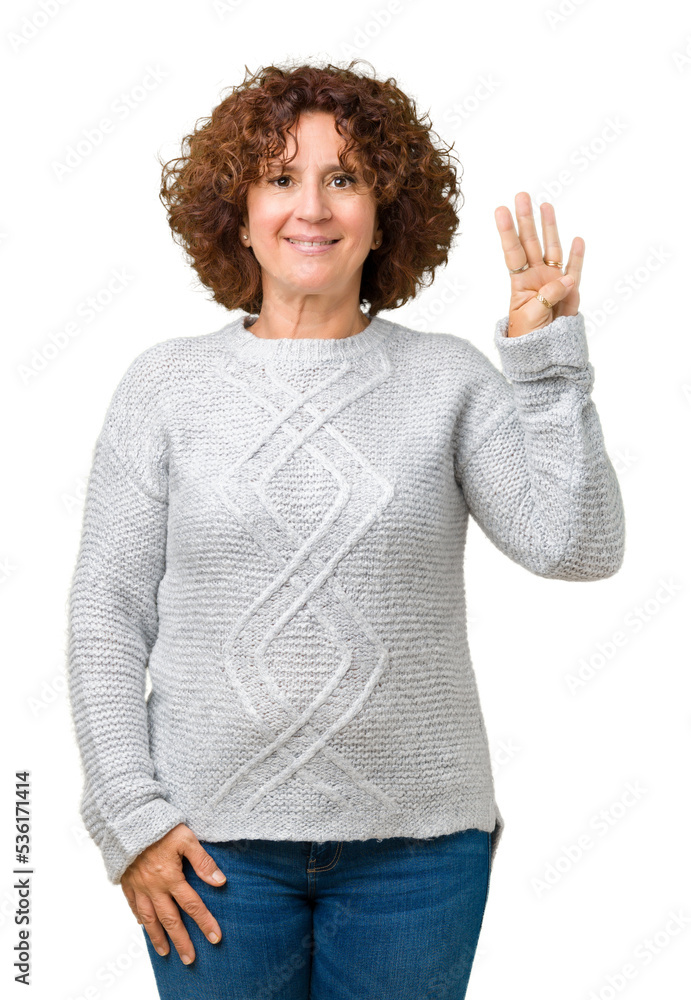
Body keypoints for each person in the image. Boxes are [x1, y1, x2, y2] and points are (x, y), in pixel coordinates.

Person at [66, 58, 625, 999]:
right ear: (238, 209)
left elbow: (577, 547)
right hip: (207, 848)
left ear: (384, 210)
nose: (311, 209)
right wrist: (129, 815)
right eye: (280, 178)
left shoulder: (448, 380)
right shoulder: (163, 387)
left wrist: (545, 363)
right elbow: (107, 614)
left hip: (418, 857)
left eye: (345, 178)